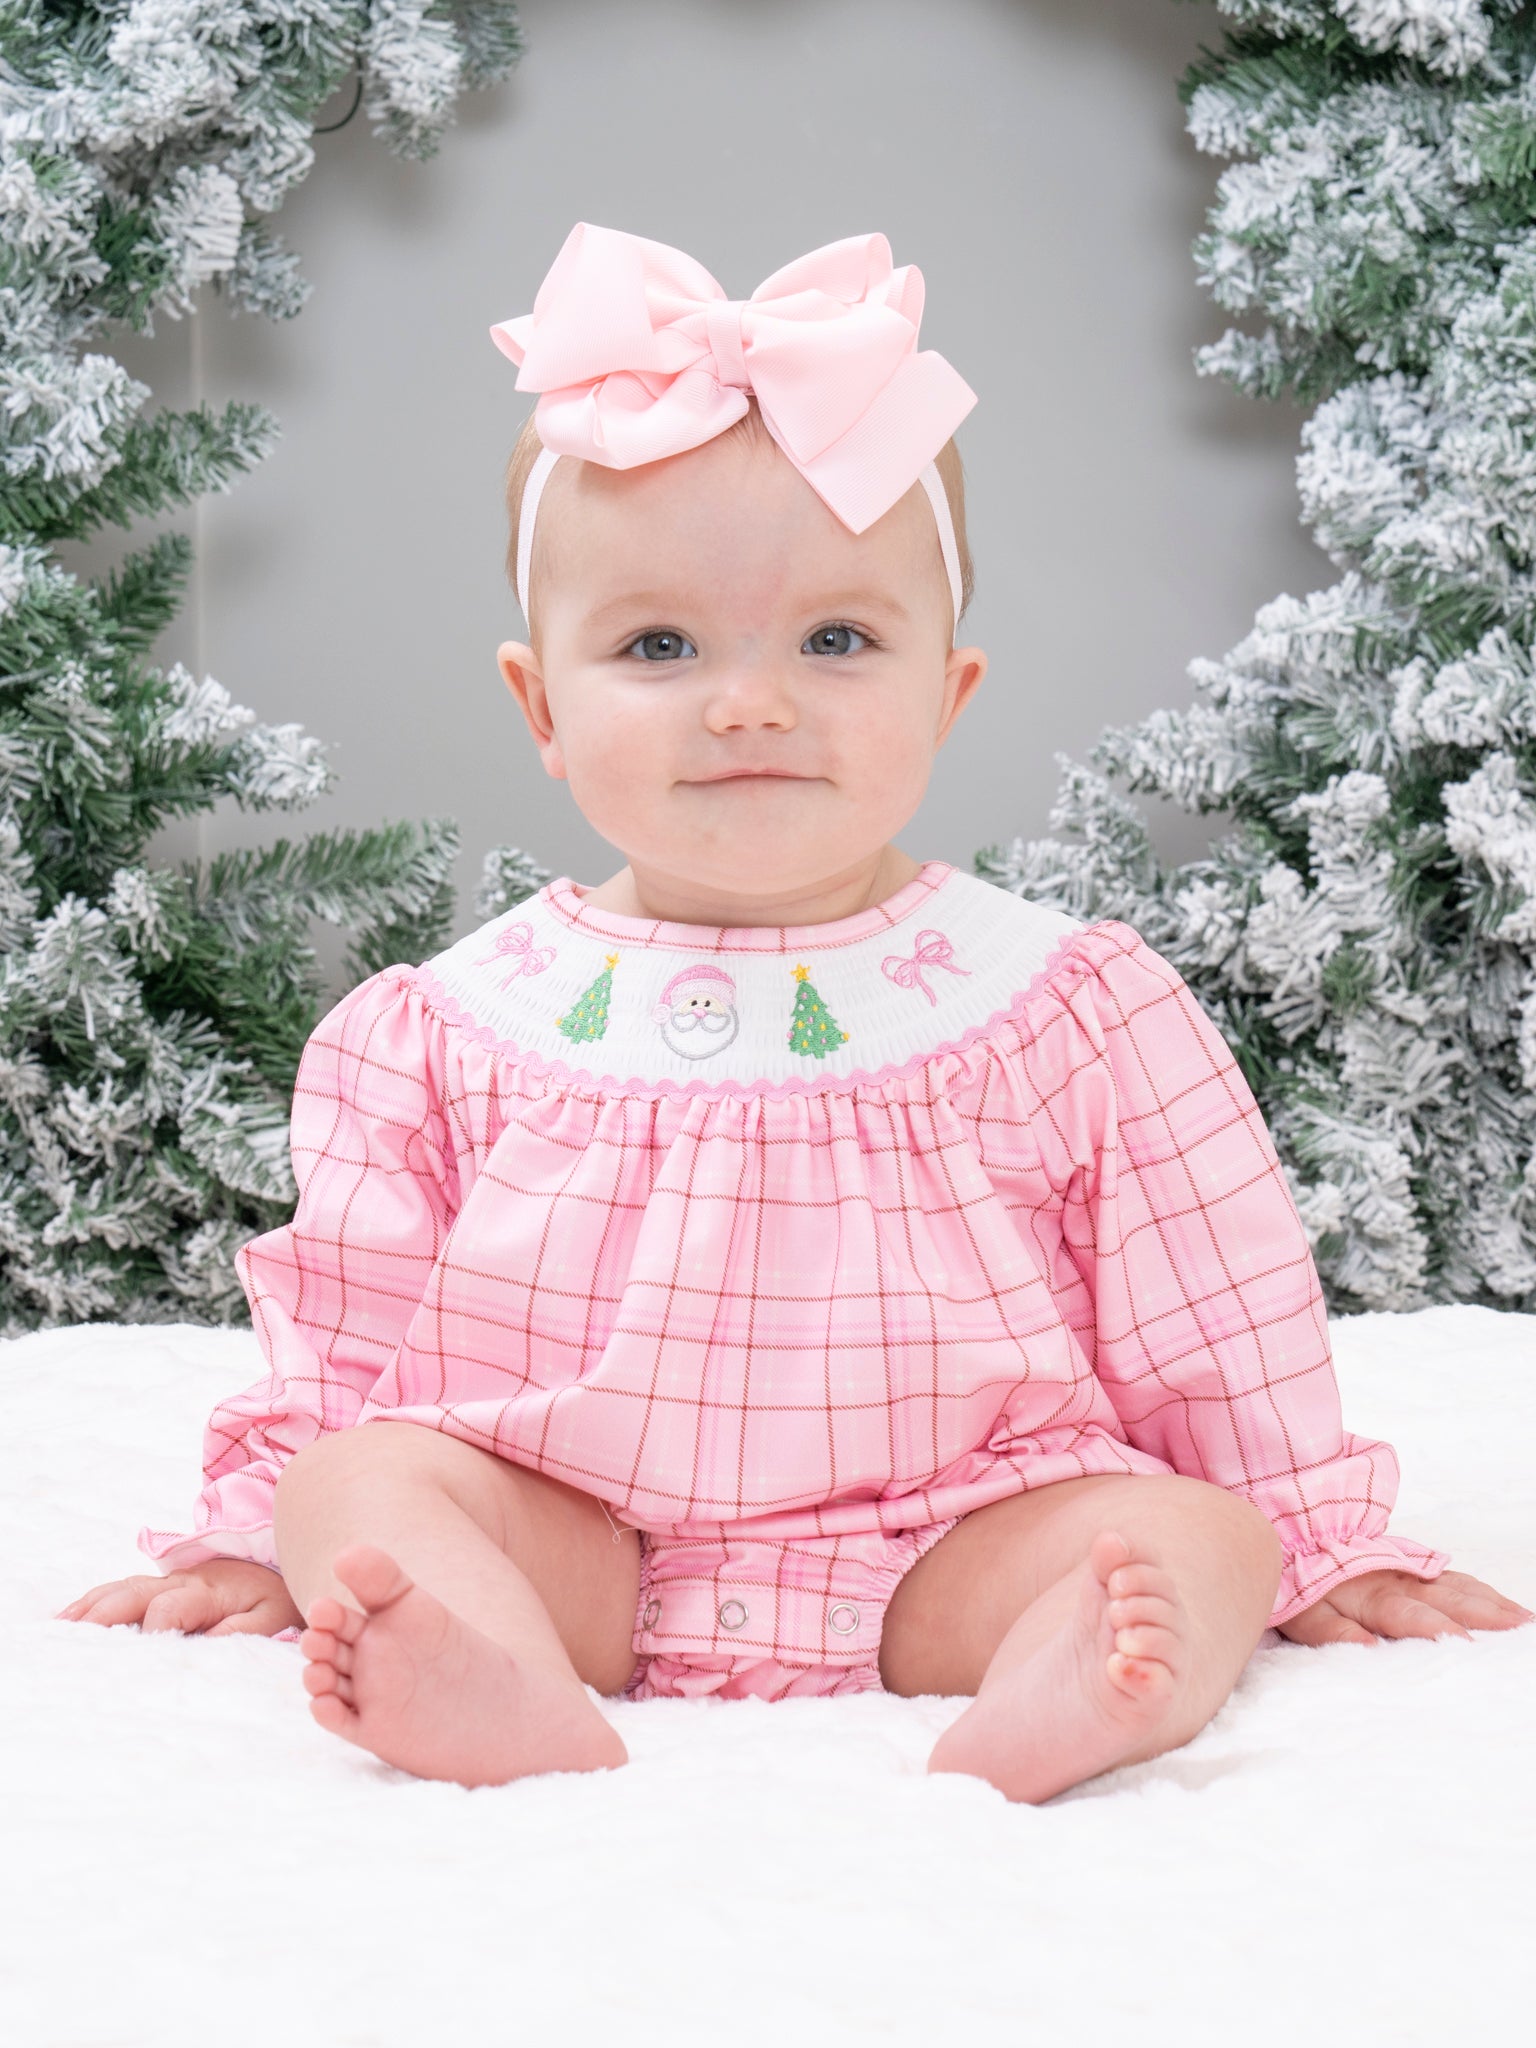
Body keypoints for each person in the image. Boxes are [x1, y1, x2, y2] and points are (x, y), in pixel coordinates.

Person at [56, 223, 1533, 1803]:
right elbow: (348, 1336)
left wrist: (1307, 1532)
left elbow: (1213, 1314)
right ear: (541, 703)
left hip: (961, 1535)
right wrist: (270, 1531)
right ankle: (483, 1661)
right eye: (658, 645)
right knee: (362, 1479)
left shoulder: (1062, 1006)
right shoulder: (450, 1030)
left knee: (1197, 1533)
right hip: (576, 1536)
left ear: (947, 693)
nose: (748, 701)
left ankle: (1071, 1677)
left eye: (837, 641)